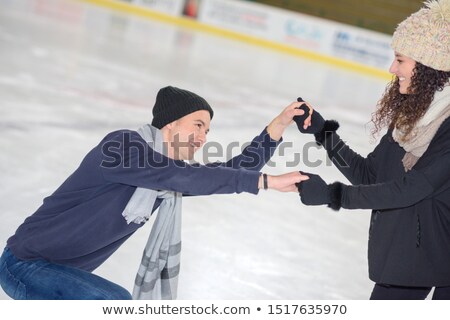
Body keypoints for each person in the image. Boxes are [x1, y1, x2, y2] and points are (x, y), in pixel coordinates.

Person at [0, 85, 309, 300]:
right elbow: (179, 175)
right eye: (198, 125)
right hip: (25, 264)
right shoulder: (122, 146)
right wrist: (266, 182)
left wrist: (280, 124)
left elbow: (233, 169)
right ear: (171, 124)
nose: (203, 137)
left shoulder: (165, 182)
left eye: (208, 131)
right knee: (115, 303)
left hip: (63, 276)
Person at [294, 0, 450, 299]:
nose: (393, 68)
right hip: (409, 256)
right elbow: (369, 175)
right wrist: (324, 133)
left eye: (400, 60)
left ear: (429, 66)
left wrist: (332, 194)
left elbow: (410, 189)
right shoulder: (411, 118)